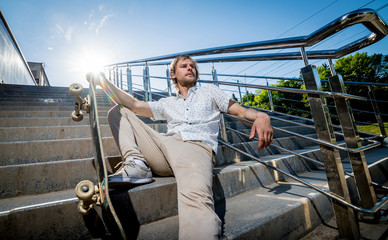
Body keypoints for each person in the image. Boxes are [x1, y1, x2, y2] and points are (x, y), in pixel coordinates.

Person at [93, 55, 273, 240]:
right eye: (184, 66)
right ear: (173, 74)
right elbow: (133, 104)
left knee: (196, 203)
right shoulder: (167, 102)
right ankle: (137, 163)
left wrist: (261, 116)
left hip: (195, 148)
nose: (190, 68)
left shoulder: (210, 92)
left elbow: (241, 111)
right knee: (119, 111)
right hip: (164, 146)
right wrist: (104, 83)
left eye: (193, 66)